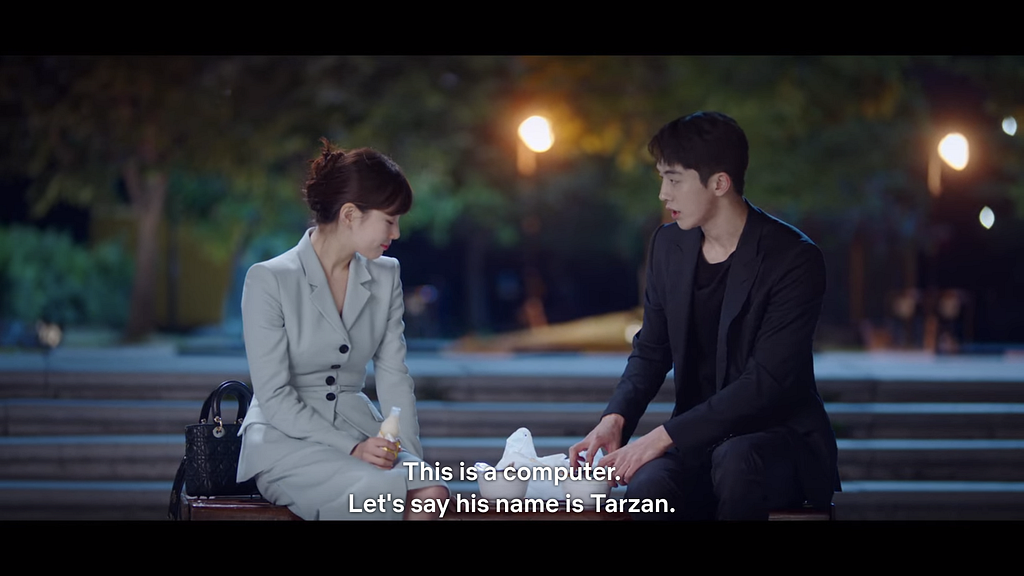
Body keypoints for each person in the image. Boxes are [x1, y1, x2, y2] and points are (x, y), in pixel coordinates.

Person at [569, 111, 841, 520]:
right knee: (648, 486)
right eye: (662, 178)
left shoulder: (793, 259)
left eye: (674, 180)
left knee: (737, 461)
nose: (663, 194)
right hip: (697, 441)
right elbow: (651, 350)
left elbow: (767, 382)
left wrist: (661, 437)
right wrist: (616, 418)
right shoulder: (669, 246)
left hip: (777, 442)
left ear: (719, 183)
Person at [236, 140, 449, 520]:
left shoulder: (386, 275)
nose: (397, 233)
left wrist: (411, 458)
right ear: (350, 214)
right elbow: (274, 396)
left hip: (361, 428)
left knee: (430, 491)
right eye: (389, 220)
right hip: (286, 441)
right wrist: (352, 447)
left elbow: (394, 376)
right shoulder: (269, 279)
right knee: (376, 494)